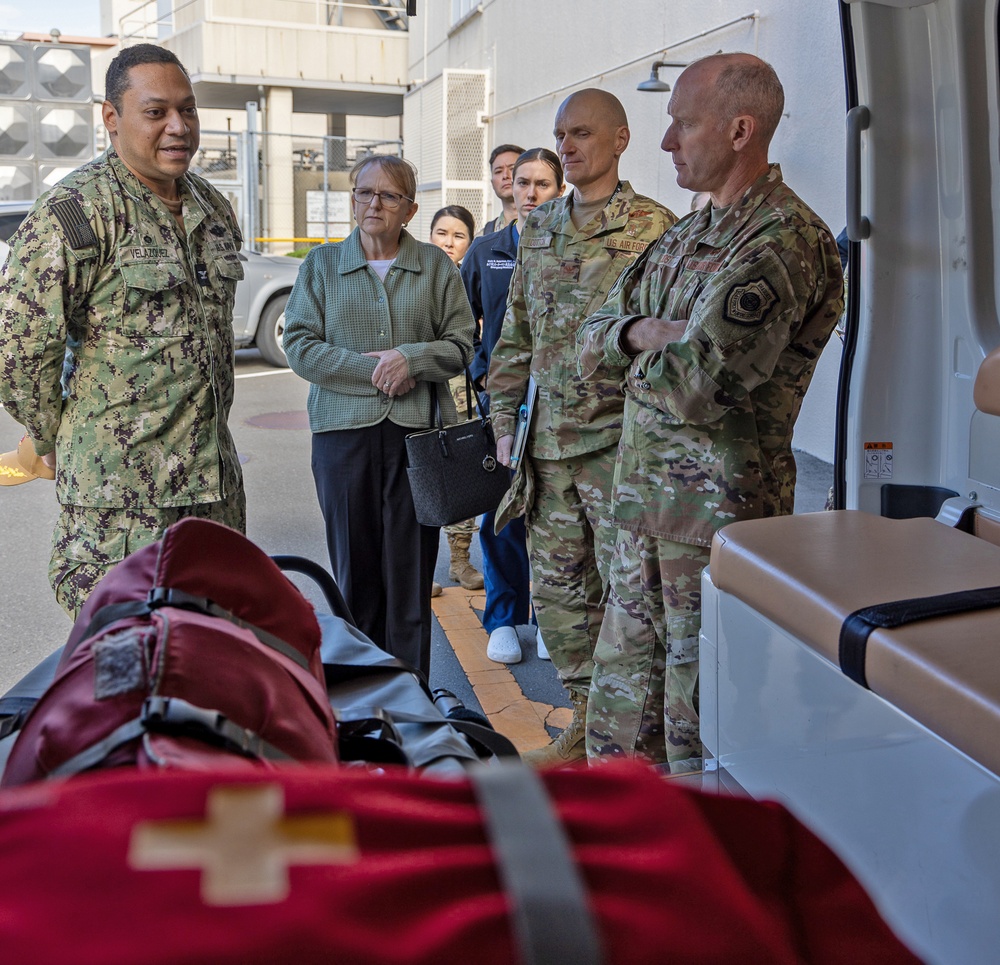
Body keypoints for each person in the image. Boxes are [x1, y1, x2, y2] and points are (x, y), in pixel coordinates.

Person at [577, 53, 845, 768]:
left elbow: (697, 385)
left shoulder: (782, 242)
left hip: (714, 535)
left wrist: (630, 353)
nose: (667, 142)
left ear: (739, 130)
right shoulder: (686, 235)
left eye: (683, 124)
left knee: (709, 735)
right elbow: (589, 340)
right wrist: (639, 332)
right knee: (627, 723)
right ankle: (625, 854)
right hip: (642, 517)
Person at [0, 43, 246, 617]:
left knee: (215, 664)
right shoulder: (74, 213)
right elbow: (18, 355)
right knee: (127, 676)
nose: (178, 127)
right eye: (156, 112)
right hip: (122, 506)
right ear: (112, 118)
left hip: (214, 495)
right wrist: (54, 436)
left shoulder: (214, 209)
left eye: (188, 110)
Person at [488, 90, 676, 766]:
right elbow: (513, 336)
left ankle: (634, 749)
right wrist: (504, 420)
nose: (568, 145)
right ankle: (588, 723)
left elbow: (671, 349)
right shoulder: (537, 227)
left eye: (583, 133)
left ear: (621, 138)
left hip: (619, 449)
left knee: (630, 606)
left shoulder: (658, 229)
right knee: (563, 604)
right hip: (547, 450)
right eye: (561, 134)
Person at [283, 156, 474, 681]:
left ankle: (413, 695)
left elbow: (462, 343)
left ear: (410, 209)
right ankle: (366, 695)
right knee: (355, 574)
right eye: (365, 193)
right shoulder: (321, 266)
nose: (374, 204)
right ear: (352, 200)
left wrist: (411, 359)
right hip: (342, 437)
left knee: (410, 577)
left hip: (416, 439)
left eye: (389, 196)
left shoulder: (435, 266)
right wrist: (372, 371)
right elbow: (299, 345)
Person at [462, 149, 565, 664]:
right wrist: (480, 377)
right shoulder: (486, 252)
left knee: (557, 514)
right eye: (523, 182)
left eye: (542, 184)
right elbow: (463, 325)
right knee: (500, 512)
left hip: (562, 407)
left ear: (559, 191)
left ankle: (550, 618)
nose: (530, 193)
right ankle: (503, 618)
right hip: (501, 405)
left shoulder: (573, 252)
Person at [427, 204, 485, 595]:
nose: (449, 242)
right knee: (419, 476)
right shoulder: (416, 272)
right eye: (442, 233)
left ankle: (460, 560)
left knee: (460, 473)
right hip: (416, 388)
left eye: (459, 235)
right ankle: (418, 568)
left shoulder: (471, 276)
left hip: (459, 388)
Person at [481, 144, 524, 235]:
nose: (505, 176)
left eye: (512, 169)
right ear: (492, 183)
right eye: (498, 171)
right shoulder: (484, 237)